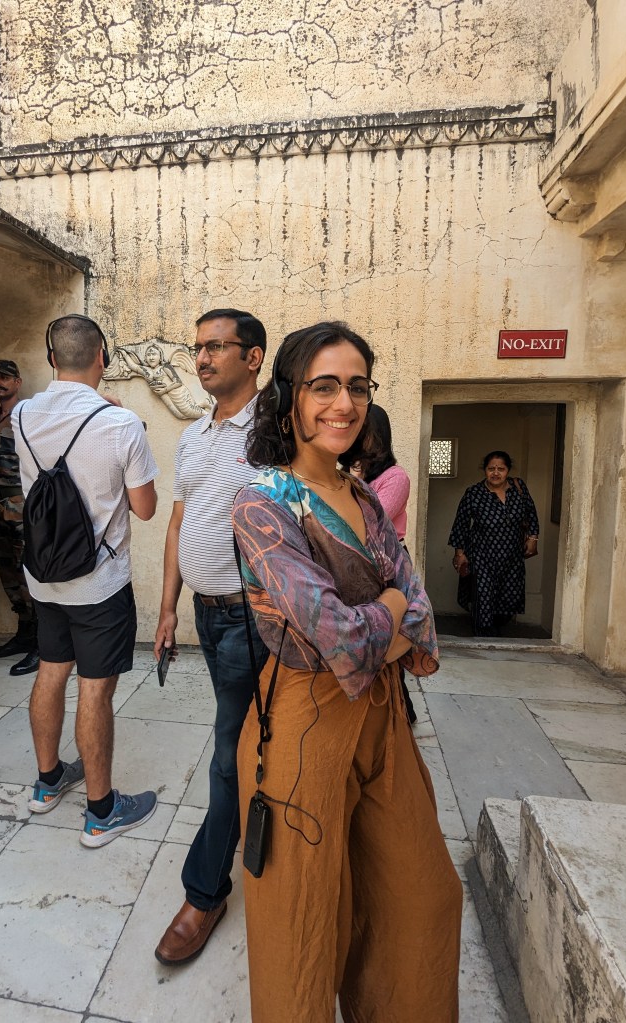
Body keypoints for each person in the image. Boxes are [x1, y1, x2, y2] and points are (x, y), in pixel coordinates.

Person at [231, 323, 462, 1023]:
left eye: (357, 386)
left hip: (384, 721)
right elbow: (343, 637)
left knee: (421, 898)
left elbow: (419, 613)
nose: (344, 403)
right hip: (304, 726)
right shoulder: (263, 502)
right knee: (301, 927)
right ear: (289, 400)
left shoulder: (362, 497)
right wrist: (389, 609)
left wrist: (381, 620)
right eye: (324, 386)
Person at [13, 314, 159, 847]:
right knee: (94, 691)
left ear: (51, 358)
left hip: (44, 577)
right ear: (103, 357)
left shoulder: (21, 414)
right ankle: (101, 812)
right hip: (100, 583)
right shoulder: (122, 425)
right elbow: (145, 509)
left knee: (51, 672)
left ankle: (48, 782)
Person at [153, 308, 269, 966]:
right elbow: (178, 523)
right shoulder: (194, 435)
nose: (201, 358)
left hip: (256, 618)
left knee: (229, 752)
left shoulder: (275, 428)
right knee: (245, 740)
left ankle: (204, 892)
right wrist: (167, 607)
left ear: (252, 357)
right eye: (197, 347)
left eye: (216, 347)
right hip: (208, 614)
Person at [340, 403, 417, 723]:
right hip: (361, 562)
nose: (359, 438)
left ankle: (401, 711)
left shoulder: (395, 477)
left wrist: (353, 481)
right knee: (367, 637)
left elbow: (369, 522)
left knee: (389, 637)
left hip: (388, 563)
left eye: (365, 432)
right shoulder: (349, 474)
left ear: (380, 436)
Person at [0, 359, 38, 676]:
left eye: (4, 377)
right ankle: (24, 633)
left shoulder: (28, 417)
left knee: (28, 572)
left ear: (17, 382)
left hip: (20, 505)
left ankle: (42, 642)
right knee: (9, 574)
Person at [449, 450, 540, 636]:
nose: (496, 473)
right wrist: (460, 554)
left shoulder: (519, 488)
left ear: (508, 470)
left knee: (509, 600)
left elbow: (531, 513)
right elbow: (461, 525)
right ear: (485, 470)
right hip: (482, 557)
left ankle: (495, 633)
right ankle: (482, 639)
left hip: (512, 559)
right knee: (482, 601)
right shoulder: (474, 493)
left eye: (501, 469)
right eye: (491, 469)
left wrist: (533, 538)